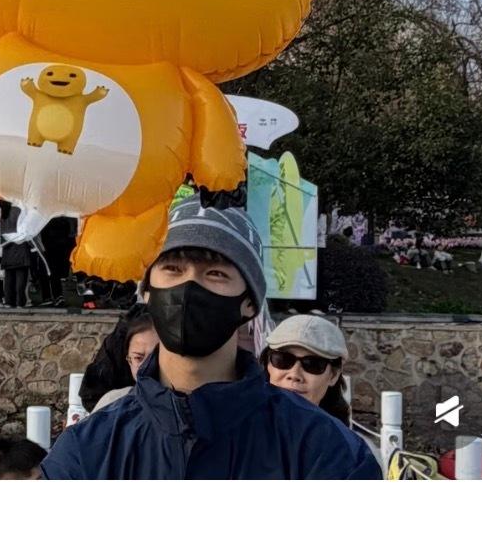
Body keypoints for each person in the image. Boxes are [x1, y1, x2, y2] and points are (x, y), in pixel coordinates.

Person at [41, 198, 382, 480]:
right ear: (147, 292)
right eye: (173, 268)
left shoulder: (326, 451)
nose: (189, 287)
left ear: (250, 303)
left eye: (216, 273)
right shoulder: (85, 453)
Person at [261, 313, 355, 426]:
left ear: (333, 375)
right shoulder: (244, 427)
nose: (294, 375)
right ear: (268, 364)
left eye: (312, 364)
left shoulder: (340, 437)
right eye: (283, 360)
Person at [79, 306, 158, 412]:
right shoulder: (112, 400)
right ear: (128, 359)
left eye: (155, 357)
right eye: (138, 358)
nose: (146, 365)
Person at [0, 203, 32, 309]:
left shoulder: (3, 211)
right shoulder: (21, 210)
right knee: (21, 278)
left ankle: (9, 301)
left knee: (9, 277)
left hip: (7, 247)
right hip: (21, 247)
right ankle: (20, 302)